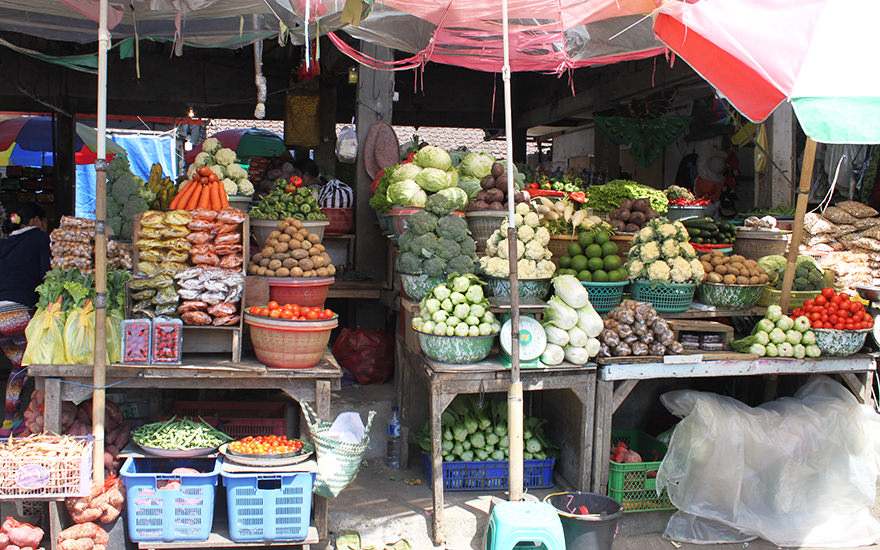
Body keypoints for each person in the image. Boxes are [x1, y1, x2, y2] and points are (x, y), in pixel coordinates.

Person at [0, 203, 50, 435]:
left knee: (18, 366)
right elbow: (45, 275)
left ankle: (10, 421)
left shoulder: (4, 242)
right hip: (17, 313)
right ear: (36, 221)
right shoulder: (38, 238)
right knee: (38, 363)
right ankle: (41, 418)